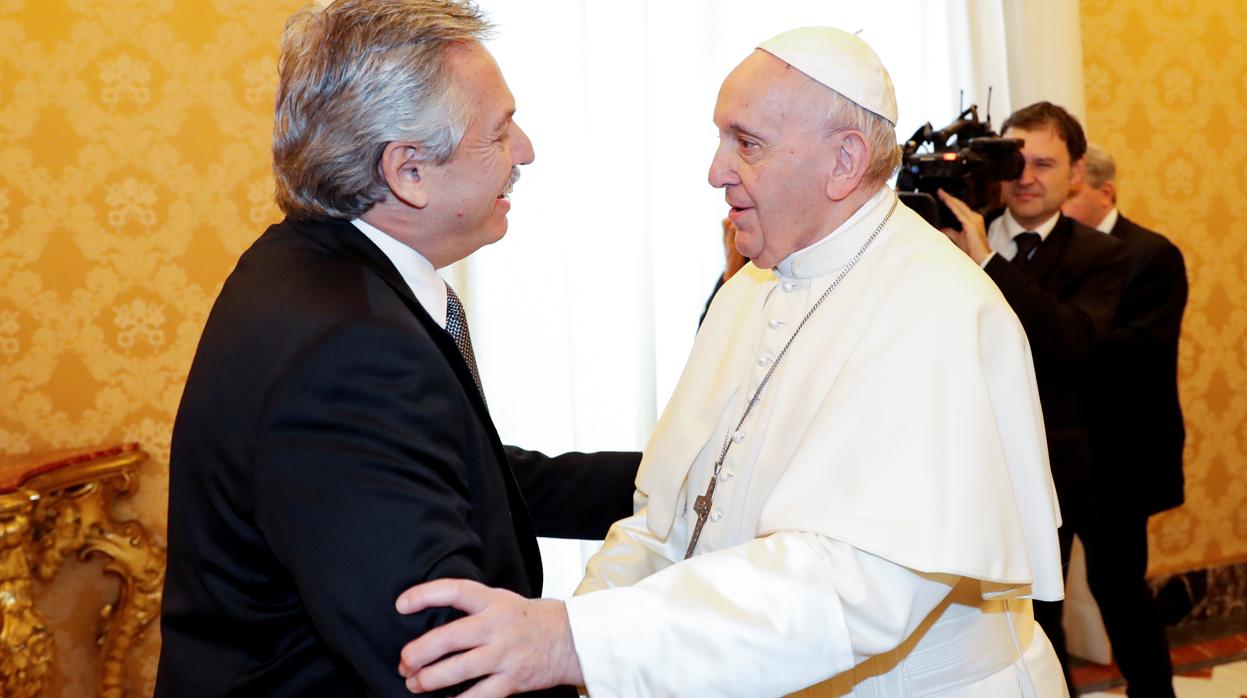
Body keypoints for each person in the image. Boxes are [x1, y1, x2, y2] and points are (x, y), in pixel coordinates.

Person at [393, 27, 1067, 697]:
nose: (714, 170)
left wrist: (580, 643)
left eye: (745, 143)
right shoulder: (749, 290)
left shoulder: (934, 309)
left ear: (843, 160)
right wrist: (579, 636)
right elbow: (665, 517)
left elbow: (852, 585)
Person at [154, 2, 638, 696]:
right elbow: (439, 655)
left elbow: (453, 474)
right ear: (408, 171)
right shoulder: (349, 348)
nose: (525, 150)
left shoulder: (305, 267)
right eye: (498, 132)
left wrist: (677, 484)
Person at [937, 104, 1133, 693]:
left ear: (1076, 172)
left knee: (1055, 624)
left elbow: (1072, 340)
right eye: (1015, 161)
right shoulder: (945, 239)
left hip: (1067, 470)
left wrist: (988, 260)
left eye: (1044, 163)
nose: (1026, 176)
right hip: (963, 462)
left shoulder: (1104, 256)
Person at [1061, 144, 1187, 697]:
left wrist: (1063, 334)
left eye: (1068, 192)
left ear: (1103, 192)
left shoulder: (1152, 255)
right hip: (1058, 452)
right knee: (1042, 597)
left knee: (1118, 589)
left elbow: (1140, 353)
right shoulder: (1052, 256)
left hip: (1121, 457)